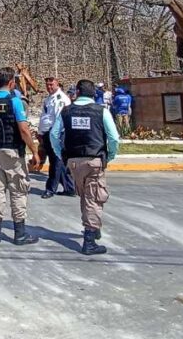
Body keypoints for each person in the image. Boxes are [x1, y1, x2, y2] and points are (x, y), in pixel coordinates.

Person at [50, 79, 120, 256]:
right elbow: (113, 138)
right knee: (94, 198)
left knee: (86, 197)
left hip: (74, 161)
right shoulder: (101, 111)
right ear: (94, 94)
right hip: (94, 160)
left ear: (78, 93)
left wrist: (61, 155)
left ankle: (93, 228)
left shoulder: (66, 112)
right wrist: (110, 156)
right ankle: (89, 239)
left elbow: (54, 134)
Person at [0, 67, 41, 245]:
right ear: (12, 83)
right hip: (13, 151)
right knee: (18, 191)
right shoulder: (14, 101)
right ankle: (20, 233)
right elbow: (23, 129)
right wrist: (34, 151)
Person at [36, 76, 74, 199]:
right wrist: (41, 132)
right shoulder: (49, 98)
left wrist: (54, 135)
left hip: (56, 134)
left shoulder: (60, 99)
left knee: (55, 163)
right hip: (48, 133)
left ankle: (50, 189)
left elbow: (59, 118)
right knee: (59, 162)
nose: (49, 87)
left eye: (51, 84)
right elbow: (45, 117)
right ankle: (70, 187)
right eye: (47, 85)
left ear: (57, 84)